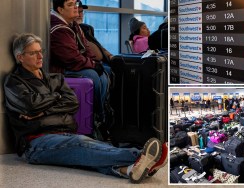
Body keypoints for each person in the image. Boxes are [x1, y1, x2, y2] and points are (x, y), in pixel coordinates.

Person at [3, 33, 167, 184]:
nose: (40, 56)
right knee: (81, 143)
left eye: (40, 51)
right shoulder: (14, 82)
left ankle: (130, 170)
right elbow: (31, 105)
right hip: (36, 143)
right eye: (33, 53)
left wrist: (44, 110)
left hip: (65, 133)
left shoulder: (55, 79)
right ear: (20, 58)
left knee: (87, 153)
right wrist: (58, 97)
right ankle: (139, 156)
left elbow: (72, 102)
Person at [49, 0, 109, 137]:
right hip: (61, 69)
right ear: (60, 10)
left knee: (106, 71)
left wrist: (94, 62)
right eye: (70, 5)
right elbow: (71, 59)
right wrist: (92, 65)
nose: (75, 7)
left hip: (74, 65)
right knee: (93, 76)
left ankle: (101, 114)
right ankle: (97, 116)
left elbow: (87, 49)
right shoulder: (58, 29)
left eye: (75, 3)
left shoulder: (73, 24)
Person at [75, 0, 113, 75]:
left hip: (99, 62)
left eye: (81, 11)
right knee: (108, 70)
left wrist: (110, 55)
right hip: (88, 63)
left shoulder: (87, 29)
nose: (80, 15)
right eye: (77, 12)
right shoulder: (70, 30)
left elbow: (98, 45)